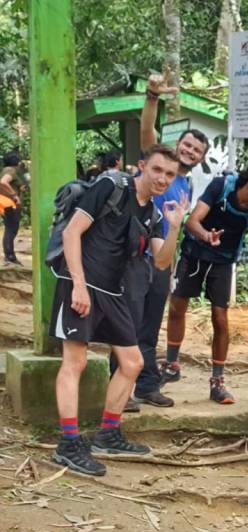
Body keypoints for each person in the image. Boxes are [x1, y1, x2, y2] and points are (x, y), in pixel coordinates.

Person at [50, 144, 186, 477]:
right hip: (80, 282)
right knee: (75, 362)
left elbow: (162, 261)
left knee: (133, 362)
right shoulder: (111, 186)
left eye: (169, 174)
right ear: (142, 166)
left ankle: (107, 434)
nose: (162, 178)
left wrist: (175, 226)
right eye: (157, 170)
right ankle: (68, 444)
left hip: (113, 292)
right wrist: (78, 285)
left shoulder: (153, 214)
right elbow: (72, 232)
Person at [163, 154, 248, 405]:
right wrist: (206, 236)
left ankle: (217, 382)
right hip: (194, 253)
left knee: (220, 318)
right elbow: (192, 221)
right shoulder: (222, 186)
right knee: (177, 307)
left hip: (223, 263)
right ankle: (171, 365)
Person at [121, 74, 212, 409]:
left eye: (196, 150)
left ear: (200, 159)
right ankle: (122, 390)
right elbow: (147, 131)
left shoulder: (184, 184)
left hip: (160, 261)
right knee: (127, 324)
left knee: (149, 326)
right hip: (133, 255)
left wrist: (172, 265)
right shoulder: (159, 167)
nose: (190, 151)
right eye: (187, 145)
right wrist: (152, 97)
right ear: (177, 145)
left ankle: (147, 385)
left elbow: (178, 225)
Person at [0, 152, 26, 265]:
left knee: (9, 229)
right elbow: (3, 182)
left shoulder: (6, 170)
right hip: (10, 204)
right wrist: (14, 196)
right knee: (11, 229)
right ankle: (10, 256)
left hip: (6, 203)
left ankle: (9, 255)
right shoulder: (11, 171)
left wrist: (20, 189)